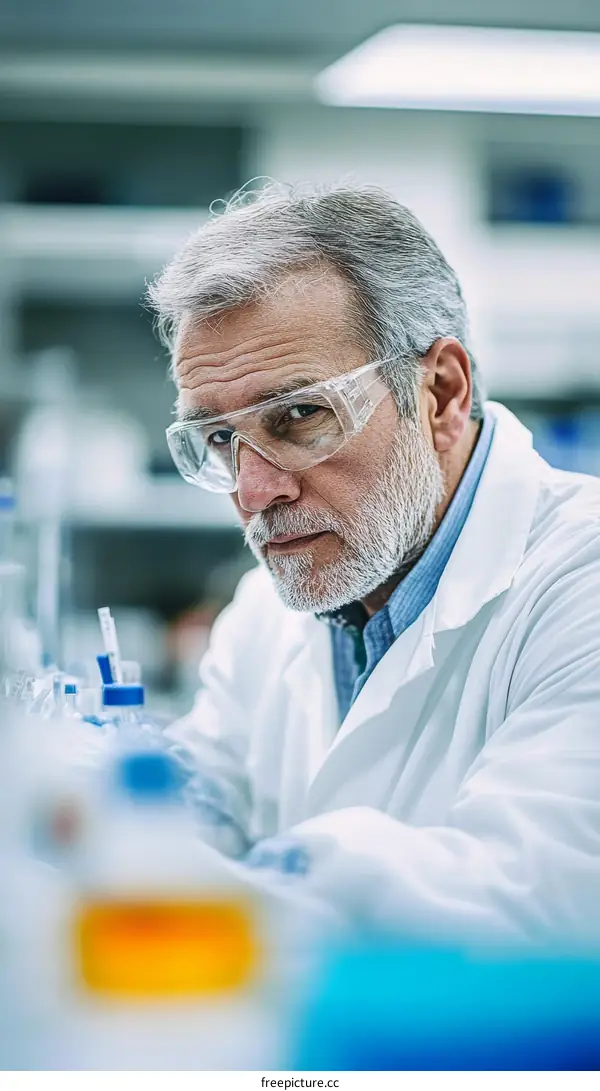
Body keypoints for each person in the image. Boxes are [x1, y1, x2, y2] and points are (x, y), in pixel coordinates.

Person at [148, 182, 600, 949]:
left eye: (298, 416)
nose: (255, 492)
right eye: (221, 441)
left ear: (442, 393)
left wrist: (259, 884)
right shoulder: (264, 613)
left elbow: (535, 902)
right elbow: (188, 813)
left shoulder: (577, 583)